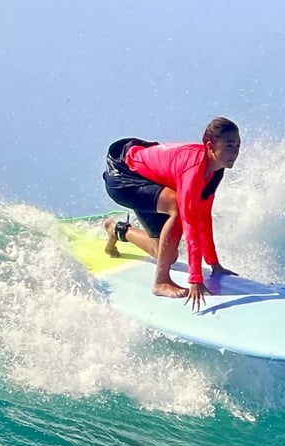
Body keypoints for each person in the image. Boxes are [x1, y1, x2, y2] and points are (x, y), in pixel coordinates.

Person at [102, 117, 241, 312]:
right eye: (229, 145)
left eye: (237, 145)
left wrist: (213, 263)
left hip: (147, 179)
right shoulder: (194, 168)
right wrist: (195, 278)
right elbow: (190, 222)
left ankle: (119, 231)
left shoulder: (215, 171)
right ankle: (161, 282)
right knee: (177, 205)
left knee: (167, 255)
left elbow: (204, 216)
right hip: (123, 176)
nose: (235, 151)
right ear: (210, 146)